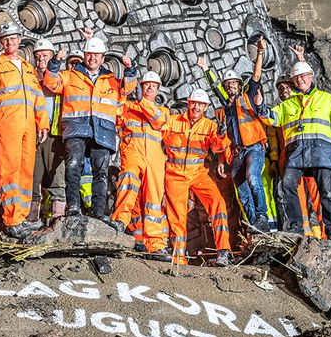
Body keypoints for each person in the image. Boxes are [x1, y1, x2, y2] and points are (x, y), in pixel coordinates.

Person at [44, 28, 137, 220]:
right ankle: (73, 206)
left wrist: (130, 68)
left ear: (103, 58)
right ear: (84, 55)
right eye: (89, 54)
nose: (92, 58)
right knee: (73, 165)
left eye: (96, 55)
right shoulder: (70, 75)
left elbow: (128, 87)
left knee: (101, 172)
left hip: (103, 132)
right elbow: (51, 83)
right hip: (76, 128)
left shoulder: (111, 79)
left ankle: (98, 211)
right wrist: (55, 62)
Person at [257, 60, 331, 239]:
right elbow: (270, 118)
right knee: (287, 185)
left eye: (303, 76)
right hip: (296, 153)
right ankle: (296, 229)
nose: (300, 80)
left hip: (321, 152)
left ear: (310, 76)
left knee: (326, 192)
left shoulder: (327, 99)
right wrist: (260, 105)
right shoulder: (287, 105)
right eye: (297, 78)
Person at [0, 22, 48, 238]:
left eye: (13, 38)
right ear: (1, 42)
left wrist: (42, 123)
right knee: (9, 170)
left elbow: (38, 98)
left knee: (26, 171)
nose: (10, 42)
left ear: (19, 40)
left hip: (28, 125)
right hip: (7, 124)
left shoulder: (28, 68)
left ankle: (23, 216)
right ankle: (11, 219)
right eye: (6, 39)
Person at [199, 37, 269, 231]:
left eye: (233, 83)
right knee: (241, 190)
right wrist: (205, 69)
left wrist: (260, 53)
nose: (230, 86)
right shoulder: (223, 110)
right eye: (227, 84)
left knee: (253, 177)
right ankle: (253, 222)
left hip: (254, 147)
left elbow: (256, 77)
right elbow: (223, 140)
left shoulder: (247, 98)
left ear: (239, 85)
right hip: (236, 153)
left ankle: (262, 216)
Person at [163, 89, 232, 266]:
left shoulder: (210, 126)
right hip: (175, 172)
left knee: (218, 203)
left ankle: (223, 251)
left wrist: (222, 135)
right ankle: (178, 258)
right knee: (177, 215)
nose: (196, 107)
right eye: (194, 103)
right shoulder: (173, 121)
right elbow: (158, 133)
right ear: (188, 102)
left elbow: (217, 148)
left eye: (200, 104)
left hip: (198, 172)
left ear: (206, 106)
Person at [110, 71, 169, 258]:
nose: (150, 88)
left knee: (153, 201)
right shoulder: (127, 107)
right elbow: (115, 112)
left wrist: (141, 103)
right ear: (140, 87)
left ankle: (156, 245)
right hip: (133, 154)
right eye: (146, 85)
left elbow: (158, 119)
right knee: (127, 188)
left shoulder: (163, 111)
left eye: (153, 85)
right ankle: (119, 224)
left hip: (154, 160)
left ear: (158, 89)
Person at [30, 38, 67, 224]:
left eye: (45, 56)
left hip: (55, 133)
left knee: (57, 176)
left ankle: (58, 217)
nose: (41, 60)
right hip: (33, 133)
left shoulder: (62, 79)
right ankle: (32, 216)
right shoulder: (31, 79)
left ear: (52, 57)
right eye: (38, 57)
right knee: (33, 176)